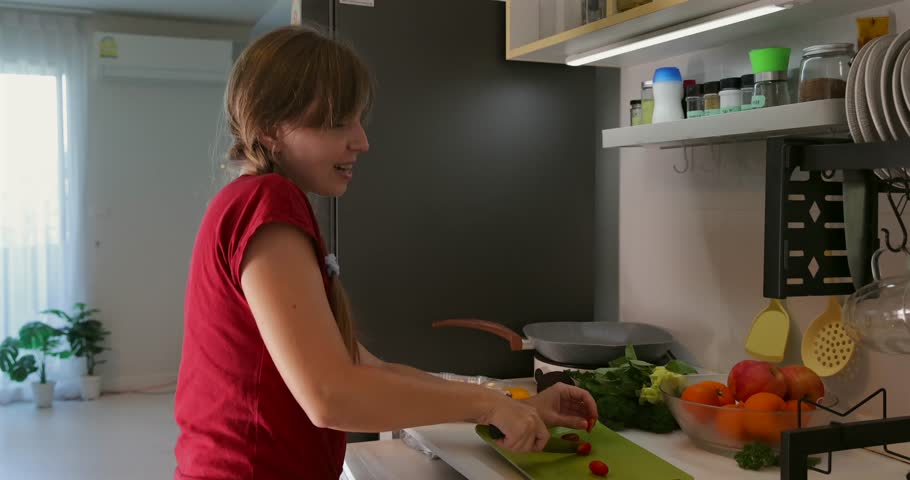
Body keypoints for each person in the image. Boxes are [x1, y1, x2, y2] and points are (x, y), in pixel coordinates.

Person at [173, 26, 598, 480]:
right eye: (339, 122)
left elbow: (363, 367)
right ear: (271, 130)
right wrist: (486, 405)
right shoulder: (268, 201)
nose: (362, 141)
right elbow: (329, 396)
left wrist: (509, 404)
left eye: (358, 120)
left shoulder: (251, 201)